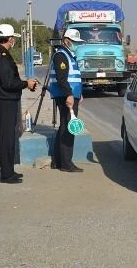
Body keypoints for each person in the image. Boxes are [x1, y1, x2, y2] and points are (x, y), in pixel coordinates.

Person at [0, 24, 37, 184]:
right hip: (5, 101)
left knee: (8, 137)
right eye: (13, 38)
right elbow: (8, 83)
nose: (14, 41)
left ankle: (9, 171)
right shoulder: (1, 57)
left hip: (4, 101)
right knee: (7, 138)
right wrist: (25, 83)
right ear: (10, 39)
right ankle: (6, 175)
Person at [49, 28, 85, 172]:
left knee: (64, 127)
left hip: (70, 94)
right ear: (66, 41)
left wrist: (79, 93)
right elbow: (62, 79)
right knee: (69, 129)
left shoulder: (69, 55)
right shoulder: (61, 56)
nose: (77, 44)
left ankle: (58, 161)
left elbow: (74, 77)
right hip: (65, 96)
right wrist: (69, 95)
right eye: (74, 42)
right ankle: (66, 164)